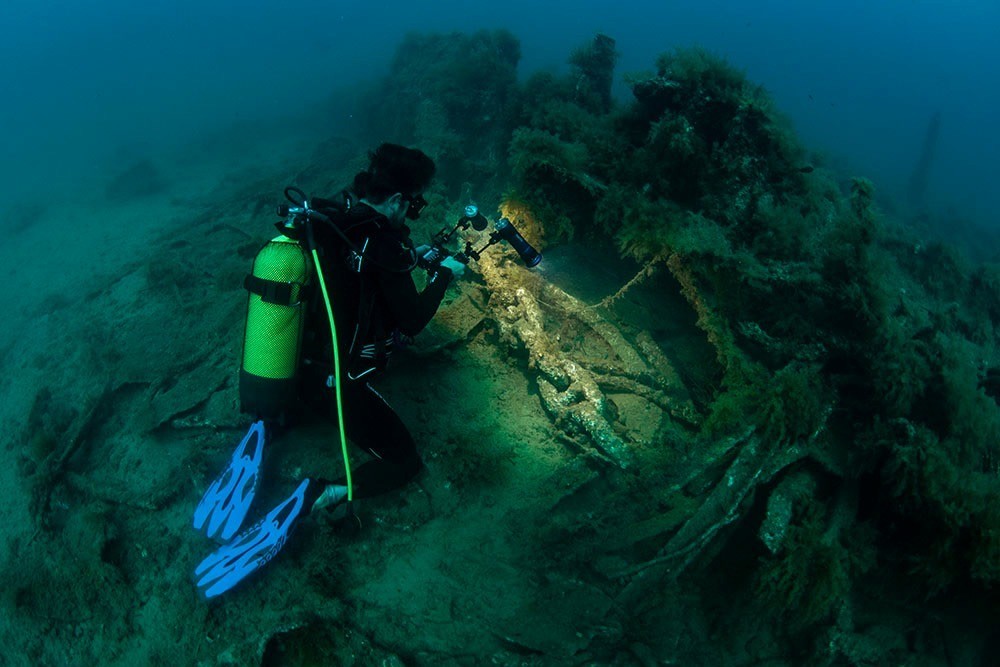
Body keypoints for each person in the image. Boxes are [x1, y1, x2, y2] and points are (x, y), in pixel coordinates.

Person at [191, 144, 465, 598]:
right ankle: (319, 494)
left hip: (291, 373)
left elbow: (355, 275)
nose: (412, 212)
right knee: (404, 462)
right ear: (399, 199)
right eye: (414, 203)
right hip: (338, 383)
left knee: (308, 390)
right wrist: (444, 274)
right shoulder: (384, 242)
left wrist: (410, 257)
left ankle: (267, 426)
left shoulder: (333, 220)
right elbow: (412, 320)